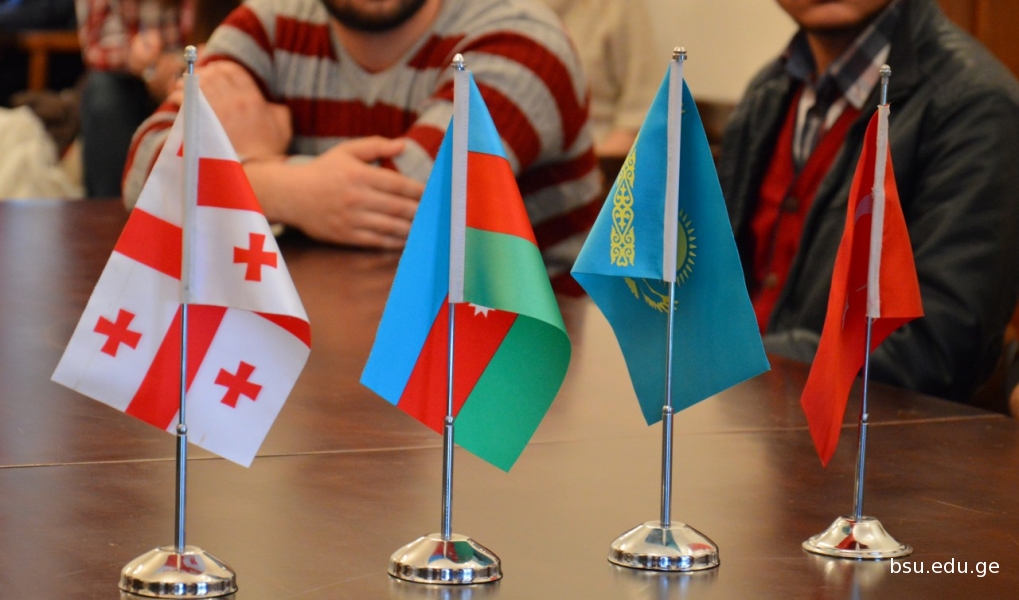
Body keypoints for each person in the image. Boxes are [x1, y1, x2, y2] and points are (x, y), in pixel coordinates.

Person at [122, 0, 601, 293]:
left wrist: (251, 165)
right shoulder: (267, 26)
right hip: (327, 338)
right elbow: (146, 170)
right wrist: (282, 185)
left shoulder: (520, 41)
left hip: (508, 369)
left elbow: (409, 208)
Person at [718, 0, 1019, 408]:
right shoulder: (769, 90)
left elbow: (937, 351)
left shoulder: (974, 104)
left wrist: (732, 361)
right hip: (739, 417)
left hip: (863, 436)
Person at [76, 0, 193, 197]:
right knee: (102, 94)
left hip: (188, 74)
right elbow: (94, 49)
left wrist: (178, 63)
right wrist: (137, 59)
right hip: (127, 80)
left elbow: (212, 34)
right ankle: (111, 206)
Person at [537, 0, 658, 158]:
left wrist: (593, 166)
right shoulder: (511, 12)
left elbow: (642, 113)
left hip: (599, 157)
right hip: (523, 158)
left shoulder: (617, 7)